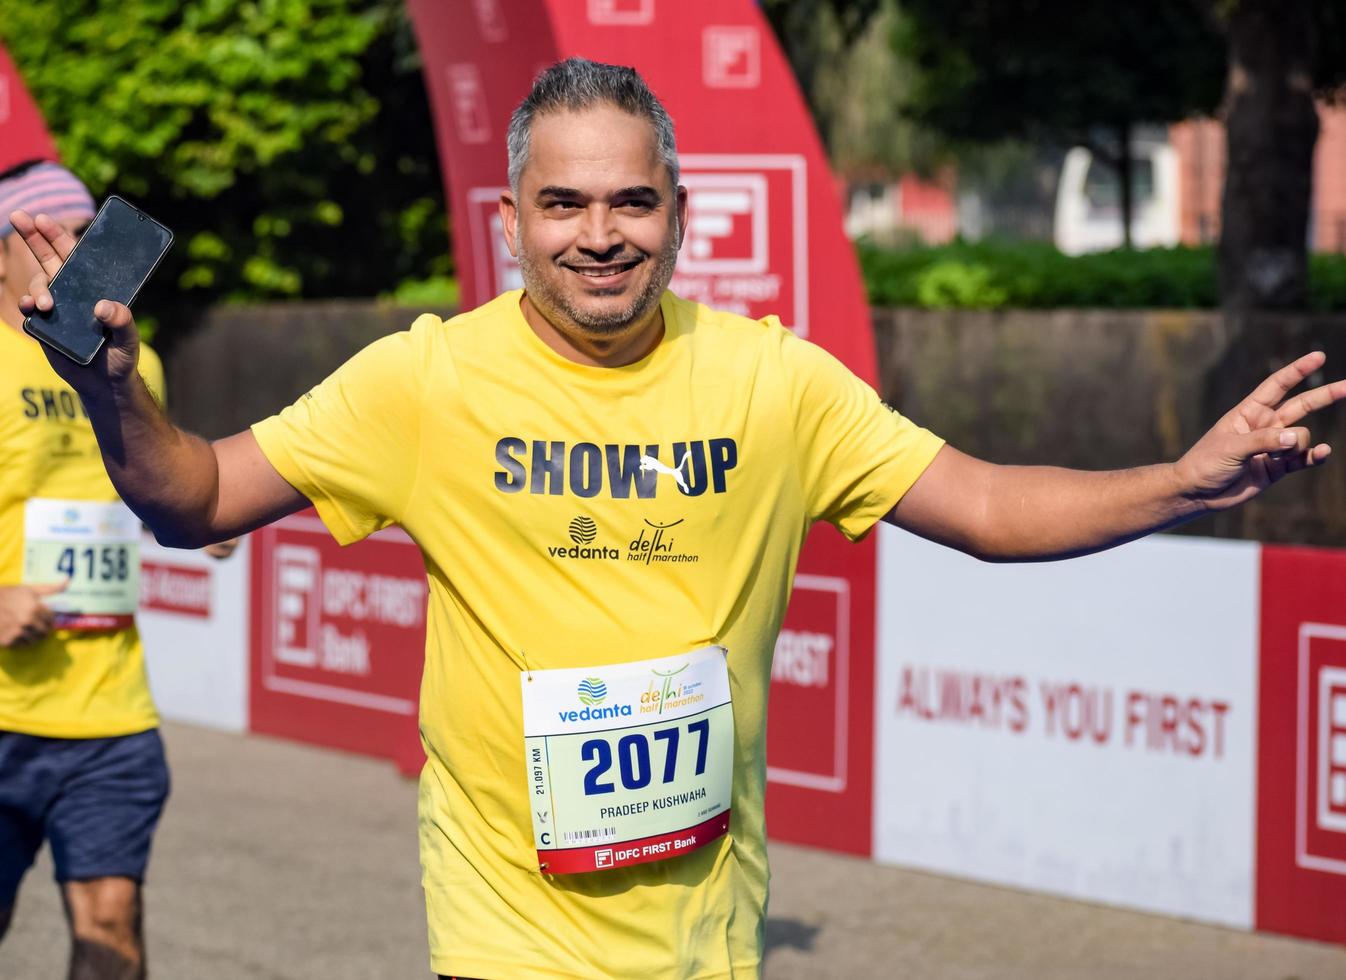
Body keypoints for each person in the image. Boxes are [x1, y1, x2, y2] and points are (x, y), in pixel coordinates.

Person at [10, 58, 1345, 979]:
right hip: (505, 933)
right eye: (567, 203)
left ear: (678, 215)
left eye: (632, 201)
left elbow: (987, 504)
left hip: (707, 936)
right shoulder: (426, 380)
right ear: (511, 221)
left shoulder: (772, 379)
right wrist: (116, 392)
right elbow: (194, 500)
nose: (602, 234)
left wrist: (1181, 482)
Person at [0, 160, 170, 980]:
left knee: (113, 938)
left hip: (109, 712)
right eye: (43, 240)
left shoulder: (134, 364)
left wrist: (197, 522)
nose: (70, 258)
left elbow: (162, 491)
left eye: (84, 238)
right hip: (3, 708)